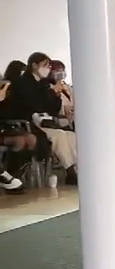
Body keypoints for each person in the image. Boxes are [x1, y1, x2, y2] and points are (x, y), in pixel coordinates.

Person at [11, 52, 78, 184]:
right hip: (30, 124)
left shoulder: (43, 84)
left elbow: (51, 109)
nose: (48, 68)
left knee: (71, 136)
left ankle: (76, 169)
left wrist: (56, 95)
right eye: (45, 65)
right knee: (59, 136)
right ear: (34, 65)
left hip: (45, 122)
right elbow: (34, 104)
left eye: (49, 66)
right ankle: (70, 171)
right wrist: (52, 93)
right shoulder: (23, 83)